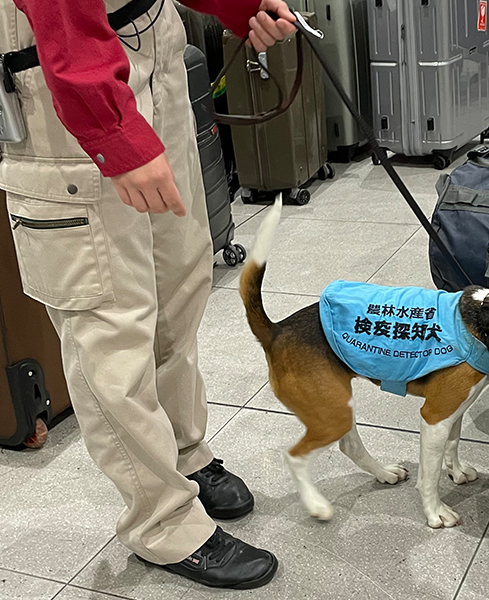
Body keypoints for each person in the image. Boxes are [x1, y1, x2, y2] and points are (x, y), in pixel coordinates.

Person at [0, 0, 295, 590]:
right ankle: (161, 523)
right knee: (109, 322)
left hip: (152, 46)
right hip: (62, 73)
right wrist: (112, 129)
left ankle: (185, 454)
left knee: (178, 289)